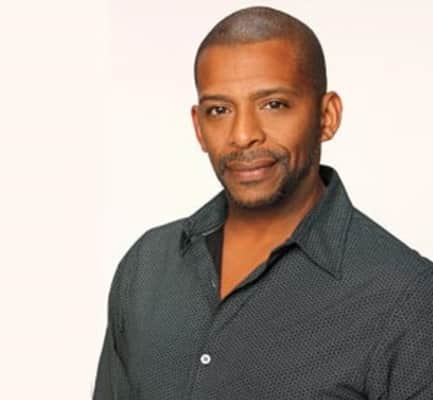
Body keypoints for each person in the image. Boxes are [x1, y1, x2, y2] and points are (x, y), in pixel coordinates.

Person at [93, 6, 433, 399]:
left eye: (273, 104)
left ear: (326, 116)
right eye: (220, 110)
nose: (243, 135)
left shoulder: (407, 297)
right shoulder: (148, 266)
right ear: (199, 127)